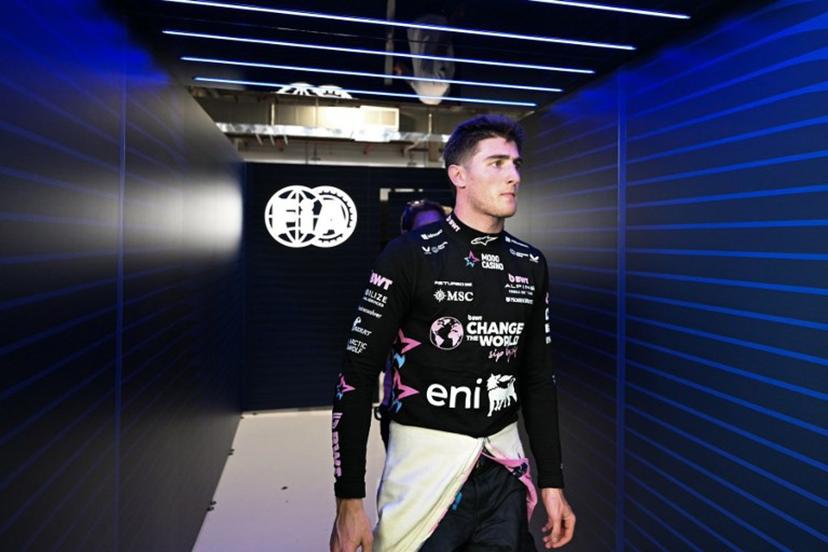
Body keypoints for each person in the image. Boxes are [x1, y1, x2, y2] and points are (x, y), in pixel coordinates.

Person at [331, 115, 576, 551]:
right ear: (458, 176)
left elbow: (538, 379)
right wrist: (349, 500)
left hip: (504, 470)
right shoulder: (408, 256)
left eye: (516, 164)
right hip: (424, 471)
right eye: (497, 163)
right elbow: (357, 374)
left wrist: (552, 482)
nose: (514, 176)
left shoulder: (530, 263)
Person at [375, 198, 448, 448]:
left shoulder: (460, 277)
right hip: (402, 409)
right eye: (424, 231)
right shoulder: (392, 278)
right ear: (406, 235)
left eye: (439, 229)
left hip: (449, 411)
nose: (433, 238)